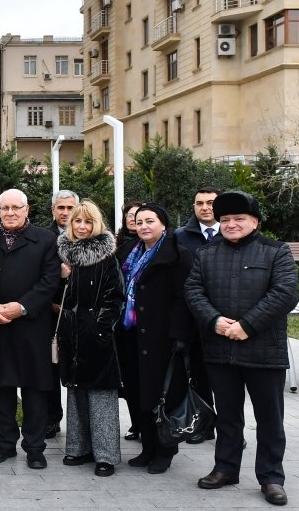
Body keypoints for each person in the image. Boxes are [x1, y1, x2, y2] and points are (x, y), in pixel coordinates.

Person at [185, 191, 298, 507]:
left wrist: (246, 325)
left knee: (270, 419)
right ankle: (225, 469)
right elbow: (193, 292)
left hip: (264, 350)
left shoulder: (277, 252)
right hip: (220, 349)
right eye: (225, 220)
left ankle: (272, 477)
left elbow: (285, 293)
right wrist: (216, 321)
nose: (231, 224)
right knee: (228, 416)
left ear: (255, 222)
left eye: (238, 219)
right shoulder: (207, 254)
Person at [0, 189, 61, 470]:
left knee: (35, 390)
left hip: (32, 327)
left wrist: (21, 307)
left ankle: (35, 447)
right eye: (5, 208)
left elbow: (49, 282)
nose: (10, 213)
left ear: (27, 209)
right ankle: (4, 444)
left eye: (16, 207)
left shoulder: (47, 240)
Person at [115, 203, 194, 475]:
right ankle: (147, 447)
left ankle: (164, 451)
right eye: (139, 222)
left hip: (162, 338)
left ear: (163, 224)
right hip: (130, 334)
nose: (144, 226)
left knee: (164, 396)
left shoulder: (178, 255)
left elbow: (184, 299)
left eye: (150, 221)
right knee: (138, 394)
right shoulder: (129, 251)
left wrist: (179, 335)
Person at [55, 200, 122, 477]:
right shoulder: (65, 257)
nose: (82, 227)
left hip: (97, 335)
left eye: (88, 222)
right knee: (76, 392)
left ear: (97, 225)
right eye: (77, 222)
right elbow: (58, 299)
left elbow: (115, 297)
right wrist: (63, 278)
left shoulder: (107, 257)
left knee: (101, 395)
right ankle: (78, 447)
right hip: (72, 334)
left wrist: (101, 328)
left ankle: (105, 455)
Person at [174, 186, 223, 444]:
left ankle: (228, 429)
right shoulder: (181, 236)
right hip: (192, 318)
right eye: (199, 203)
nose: (205, 207)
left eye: (211, 203)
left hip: (224, 318)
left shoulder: (232, 232)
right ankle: (203, 425)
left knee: (225, 379)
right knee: (198, 373)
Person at [46, 189, 79, 440]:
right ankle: (52, 418)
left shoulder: (90, 235)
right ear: (53, 210)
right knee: (50, 368)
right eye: (61, 208)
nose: (65, 213)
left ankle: (80, 423)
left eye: (70, 208)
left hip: (81, 315)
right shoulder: (43, 237)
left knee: (77, 369)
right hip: (50, 313)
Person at [114, 199, 145, 441]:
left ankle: (153, 426)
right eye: (131, 216)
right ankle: (137, 423)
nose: (135, 220)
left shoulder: (159, 246)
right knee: (129, 380)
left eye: (142, 216)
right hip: (124, 322)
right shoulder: (119, 245)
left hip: (147, 323)